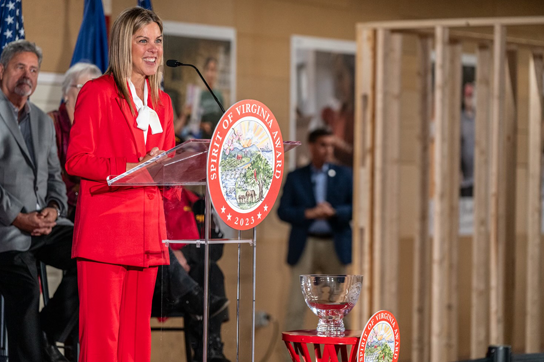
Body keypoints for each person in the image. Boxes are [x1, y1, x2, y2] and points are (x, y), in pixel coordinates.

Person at [65, 7, 174, 361]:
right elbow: (76, 160)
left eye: (157, 41)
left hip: (147, 236)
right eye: (142, 40)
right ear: (123, 46)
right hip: (105, 237)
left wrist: (175, 173)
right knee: (102, 345)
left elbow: (169, 167)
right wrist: (132, 167)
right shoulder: (97, 92)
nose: (152, 48)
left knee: (136, 345)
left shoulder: (163, 103)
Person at [0, 40, 78, 362]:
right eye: (20, 67)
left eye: (33, 69)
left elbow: (55, 178)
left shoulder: (43, 122)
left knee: (89, 252)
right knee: (27, 291)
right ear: (2, 70)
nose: (27, 75)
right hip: (7, 231)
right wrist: (19, 217)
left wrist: (54, 208)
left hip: (45, 226)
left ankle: (49, 332)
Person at [277, 128, 353, 332]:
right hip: (305, 243)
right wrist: (308, 213)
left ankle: (343, 355)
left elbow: (356, 208)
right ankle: (292, 357)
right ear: (311, 146)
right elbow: (283, 211)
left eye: (331, 145)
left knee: (340, 306)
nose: (328, 150)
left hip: (334, 243)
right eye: (323, 145)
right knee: (296, 304)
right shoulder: (296, 177)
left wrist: (334, 211)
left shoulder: (345, 175)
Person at [48, 62, 102, 222]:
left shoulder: (103, 128)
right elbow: (50, 175)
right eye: (82, 87)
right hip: (61, 209)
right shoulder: (50, 123)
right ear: (65, 92)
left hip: (95, 206)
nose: (90, 93)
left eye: (95, 88)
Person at [175, 57, 225, 140]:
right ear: (204, 71)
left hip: (217, 138)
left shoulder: (219, 95)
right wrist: (202, 125)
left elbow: (223, 119)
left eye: (213, 70)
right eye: (208, 69)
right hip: (201, 139)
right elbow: (192, 121)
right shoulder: (198, 96)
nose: (210, 74)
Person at [460, 82, 475, 197]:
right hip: (464, 180)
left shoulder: (479, 119)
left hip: (478, 179)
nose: (469, 99)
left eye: (471, 96)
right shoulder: (460, 119)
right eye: (467, 96)